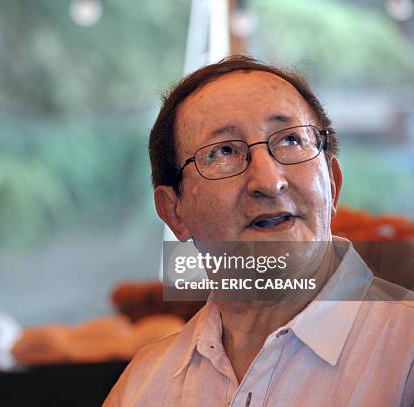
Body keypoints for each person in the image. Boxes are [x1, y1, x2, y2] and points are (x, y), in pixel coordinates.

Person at [103, 55, 414, 406]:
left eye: (291, 140)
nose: (269, 181)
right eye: (223, 152)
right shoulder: (143, 388)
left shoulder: (405, 353)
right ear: (174, 211)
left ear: (332, 183)